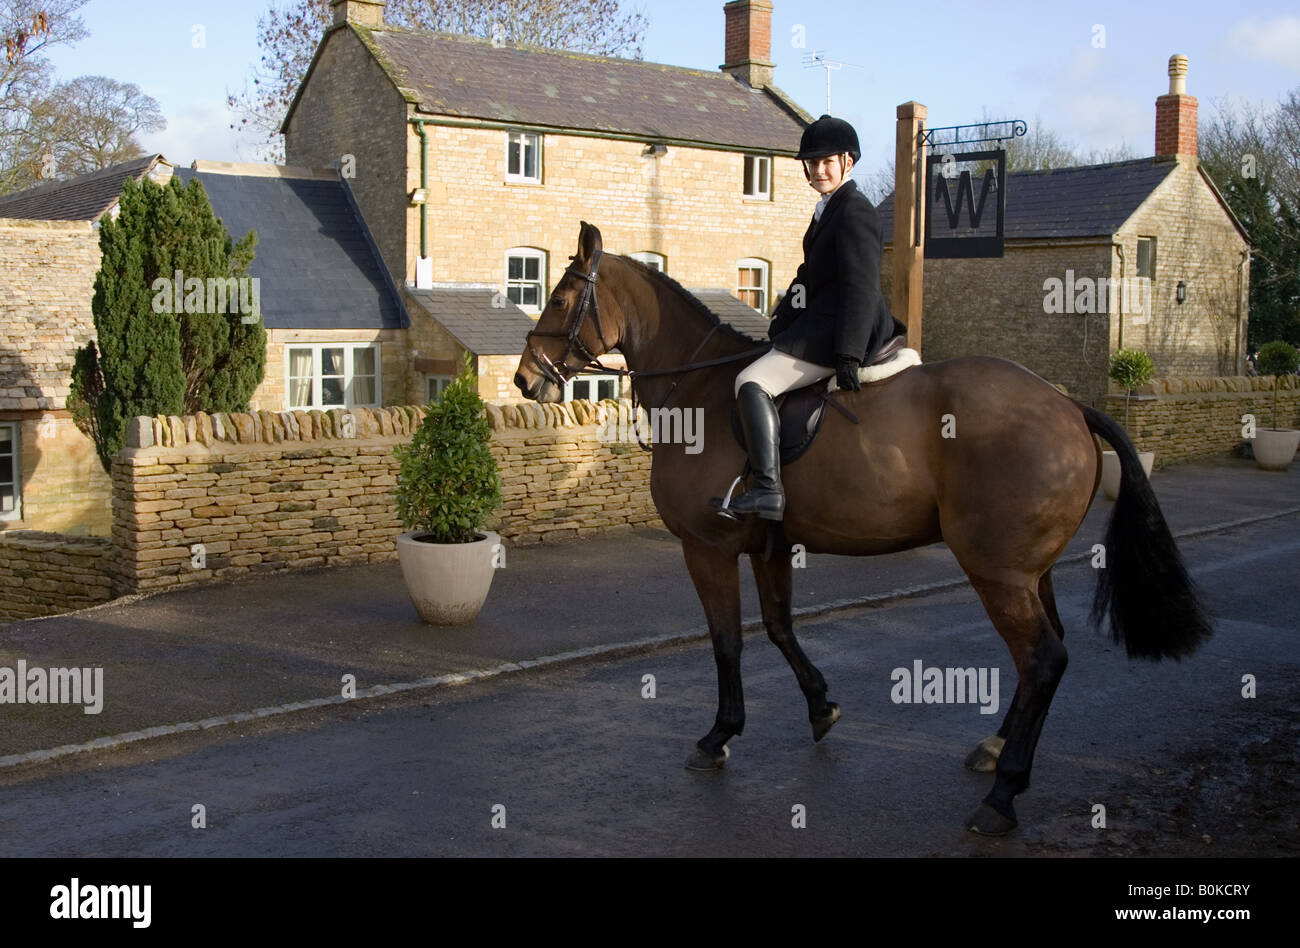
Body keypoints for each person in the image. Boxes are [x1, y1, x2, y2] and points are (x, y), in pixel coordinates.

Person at [720, 114, 907, 521]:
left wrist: (849, 354)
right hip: (820, 322)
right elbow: (810, 275)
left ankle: (768, 491)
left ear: (847, 162)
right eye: (812, 163)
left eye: (827, 162)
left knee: (749, 381)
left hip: (840, 330)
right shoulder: (829, 209)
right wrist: (782, 318)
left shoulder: (854, 210)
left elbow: (861, 286)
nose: (819, 170)